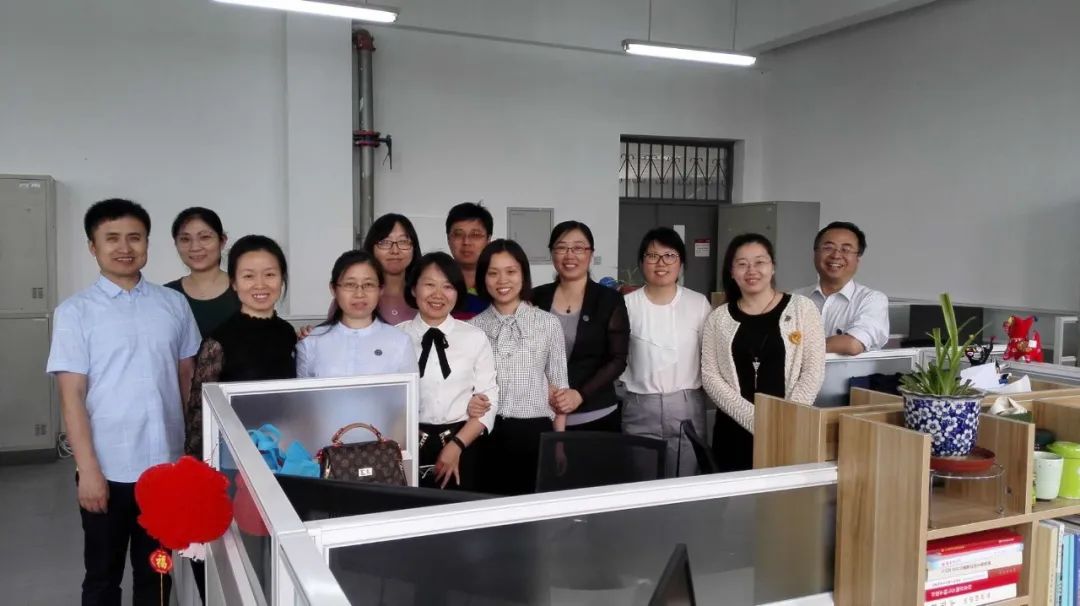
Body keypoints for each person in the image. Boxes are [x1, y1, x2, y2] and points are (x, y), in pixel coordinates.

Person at [46, 198, 201, 605]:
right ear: (92, 246)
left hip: (165, 469)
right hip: (108, 468)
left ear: (147, 243)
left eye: (135, 237)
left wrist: (187, 457)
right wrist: (88, 471)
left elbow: (186, 380)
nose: (124, 247)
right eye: (111, 238)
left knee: (158, 574)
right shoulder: (75, 313)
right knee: (103, 576)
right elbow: (72, 397)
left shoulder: (173, 304)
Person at [702, 233, 826, 472]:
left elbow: (813, 371)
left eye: (759, 262)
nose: (752, 270)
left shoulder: (802, 309)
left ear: (772, 267)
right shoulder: (718, 318)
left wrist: (785, 418)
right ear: (731, 271)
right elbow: (710, 376)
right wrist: (755, 421)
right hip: (733, 432)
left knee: (784, 493)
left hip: (788, 429)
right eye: (742, 264)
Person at [470, 239, 569, 495]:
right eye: (493, 273)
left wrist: (559, 443)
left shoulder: (548, 323)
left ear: (523, 274)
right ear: (483, 278)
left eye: (511, 271)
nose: (502, 280)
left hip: (536, 434)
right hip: (487, 433)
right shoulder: (473, 328)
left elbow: (559, 387)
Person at [185, 235, 297, 459]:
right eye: (248, 276)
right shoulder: (218, 341)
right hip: (234, 456)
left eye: (270, 274)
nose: (260, 284)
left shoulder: (287, 333)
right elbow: (200, 413)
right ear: (234, 283)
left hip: (284, 451)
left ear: (282, 278)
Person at [400, 252, 498, 490]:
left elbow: (489, 397)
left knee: (460, 509)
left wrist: (456, 445)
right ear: (413, 289)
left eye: (447, 286)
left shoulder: (474, 337)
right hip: (406, 445)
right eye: (429, 284)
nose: (438, 294)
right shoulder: (395, 337)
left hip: (462, 443)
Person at [621, 227, 713, 477]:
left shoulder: (698, 303)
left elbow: (709, 357)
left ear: (681, 262)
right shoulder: (626, 305)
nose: (661, 263)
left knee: (684, 482)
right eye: (652, 256)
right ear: (641, 262)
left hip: (686, 406)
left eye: (670, 255)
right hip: (640, 406)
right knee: (642, 483)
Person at [532, 221, 629, 432]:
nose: (570, 255)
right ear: (552, 253)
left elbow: (618, 359)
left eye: (578, 248)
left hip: (596, 415)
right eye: (561, 248)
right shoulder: (536, 297)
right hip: (541, 413)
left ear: (590, 253)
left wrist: (580, 394)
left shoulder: (609, 300)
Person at [296, 250, 416, 378]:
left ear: (380, 289)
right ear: (334, 289)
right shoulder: (311, 341)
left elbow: (410, 389)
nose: (359, 294)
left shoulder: (400, 341)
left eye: (368, 284)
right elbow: (302, 390)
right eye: (350, 284)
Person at [795, 221, 889, 354]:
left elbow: (852, 345)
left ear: (857, 258)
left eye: (846, 250)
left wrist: (794, 347)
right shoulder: (793, 299)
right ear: (815, 253)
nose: (836, 255)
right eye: (828, 248)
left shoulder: (872, 300)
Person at [165, 207, 241, 337]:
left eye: (205, 237)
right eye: (185, 239)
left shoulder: (245, 289)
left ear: (222, 241)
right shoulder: (167, 295)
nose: (195, 247)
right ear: (176, 244)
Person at [361, 213, 422, 325]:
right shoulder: (355, 295)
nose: (395, 251)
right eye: (385, 242)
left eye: (403, 242)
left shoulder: (425, 294)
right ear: (371, 248)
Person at [445, 202, 492, 319]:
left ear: (488, 240)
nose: (466, 242)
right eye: (458, 234)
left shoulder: (498, 284)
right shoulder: (436, 283)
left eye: (475, 235)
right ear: (448, 239)